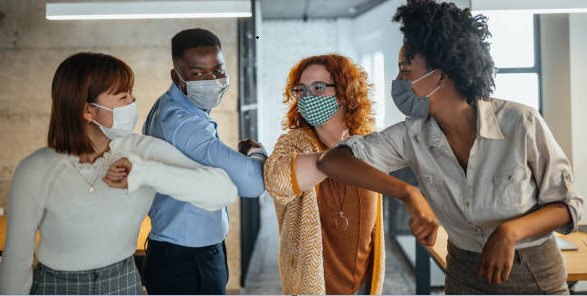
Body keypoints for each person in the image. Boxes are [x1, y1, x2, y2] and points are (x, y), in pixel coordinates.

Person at [318, 0, 585, 294]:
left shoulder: (521, 122)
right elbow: (333, 161)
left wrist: (509, 232)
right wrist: (408, 193)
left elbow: (568, 207)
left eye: (405, 71)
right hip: (463, 272)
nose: (398, 82)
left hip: (531, 272)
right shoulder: (412, 135)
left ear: (442, 74)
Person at [0, 52, 238, 295]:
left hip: (123, 283)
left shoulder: (143, 152)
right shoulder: (35, 169)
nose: (133, 101)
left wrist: (145, 173)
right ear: (87, 111)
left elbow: (223, 191)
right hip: (56, 287)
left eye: (130, 93)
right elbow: (16, 260)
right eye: (123, 96)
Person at [264, 54, 438, 295]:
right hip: (313, 286)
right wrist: (336, 160)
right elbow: (277, 181)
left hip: (363, 284)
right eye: (301, 90)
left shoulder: (367, 142)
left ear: (344, 92)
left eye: (318, 87)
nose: (307, 97)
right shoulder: (294, 143)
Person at [142, 28, 266, 295]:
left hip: (182, 250)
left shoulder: (170, 106)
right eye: (198, 73)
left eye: (218, 70)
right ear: (176, 76)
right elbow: (253, 184)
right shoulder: (184, 124)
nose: (212, 79)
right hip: (186, 260)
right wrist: (256, 152)